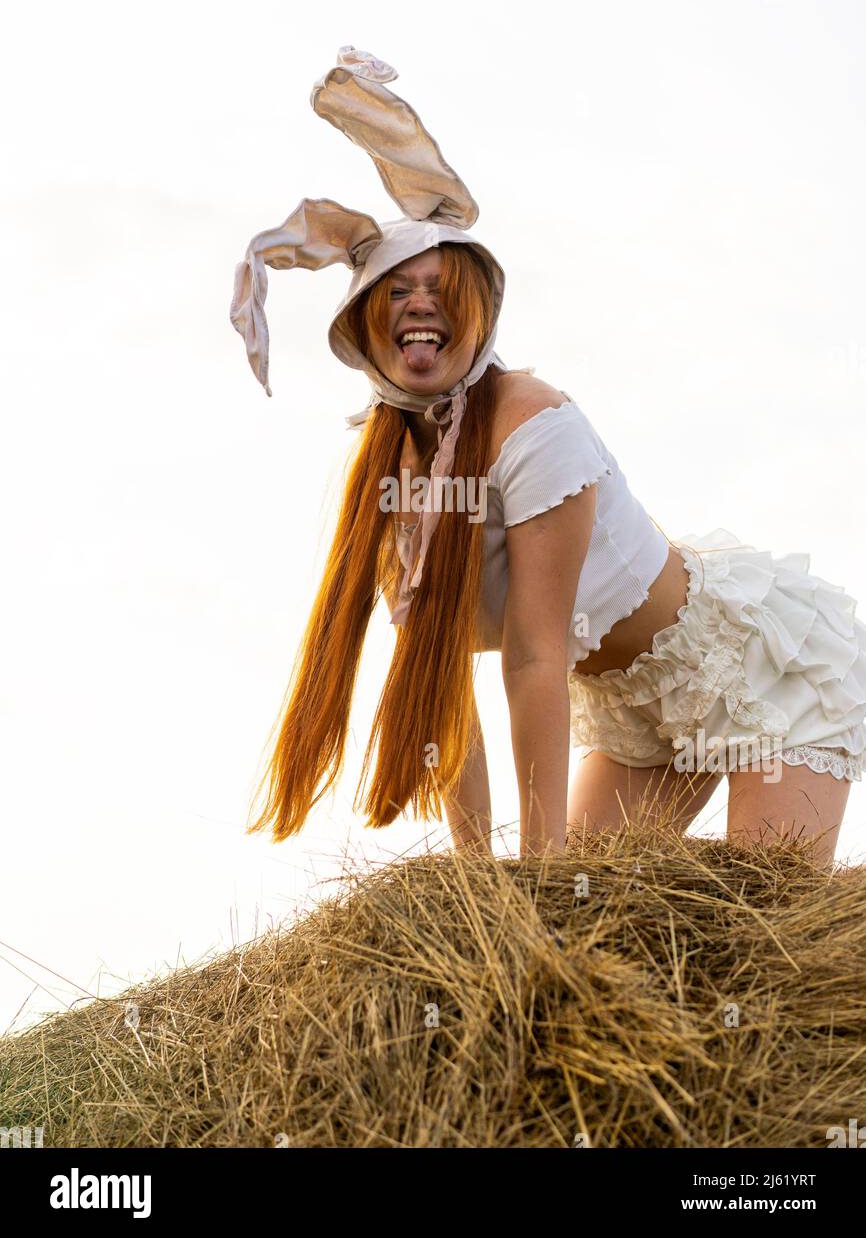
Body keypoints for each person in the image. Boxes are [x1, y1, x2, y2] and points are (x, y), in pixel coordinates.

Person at [229, 47, 866, 867]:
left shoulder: (536, 425)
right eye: (396, 291)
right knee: (598, 923)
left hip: (758, 674)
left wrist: (536, 878)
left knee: (762, 908)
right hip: (634, 710)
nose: (419, 304)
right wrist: (480, 887)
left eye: (441, 289)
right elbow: (439, 682)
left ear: (478, 314)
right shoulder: (386, 480)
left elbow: (535, 655)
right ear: (363, 331)